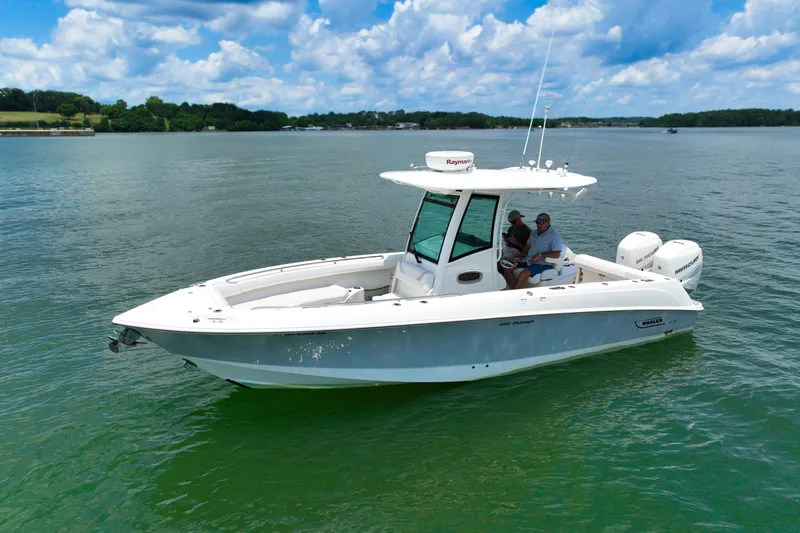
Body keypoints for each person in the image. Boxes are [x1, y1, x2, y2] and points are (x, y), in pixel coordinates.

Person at [505, 212, 563, 290]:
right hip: (527, 260)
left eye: (540, 223)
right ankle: (514, 290)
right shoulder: (534, 233)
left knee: (523, 275)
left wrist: (540, 255)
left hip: (542, 263)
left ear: (548, 222)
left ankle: (514, 294)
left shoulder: (555, 235)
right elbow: (526, 248)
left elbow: (557, 254)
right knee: (507, 270)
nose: (538, 225)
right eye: (537, 222)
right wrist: (520, 257)